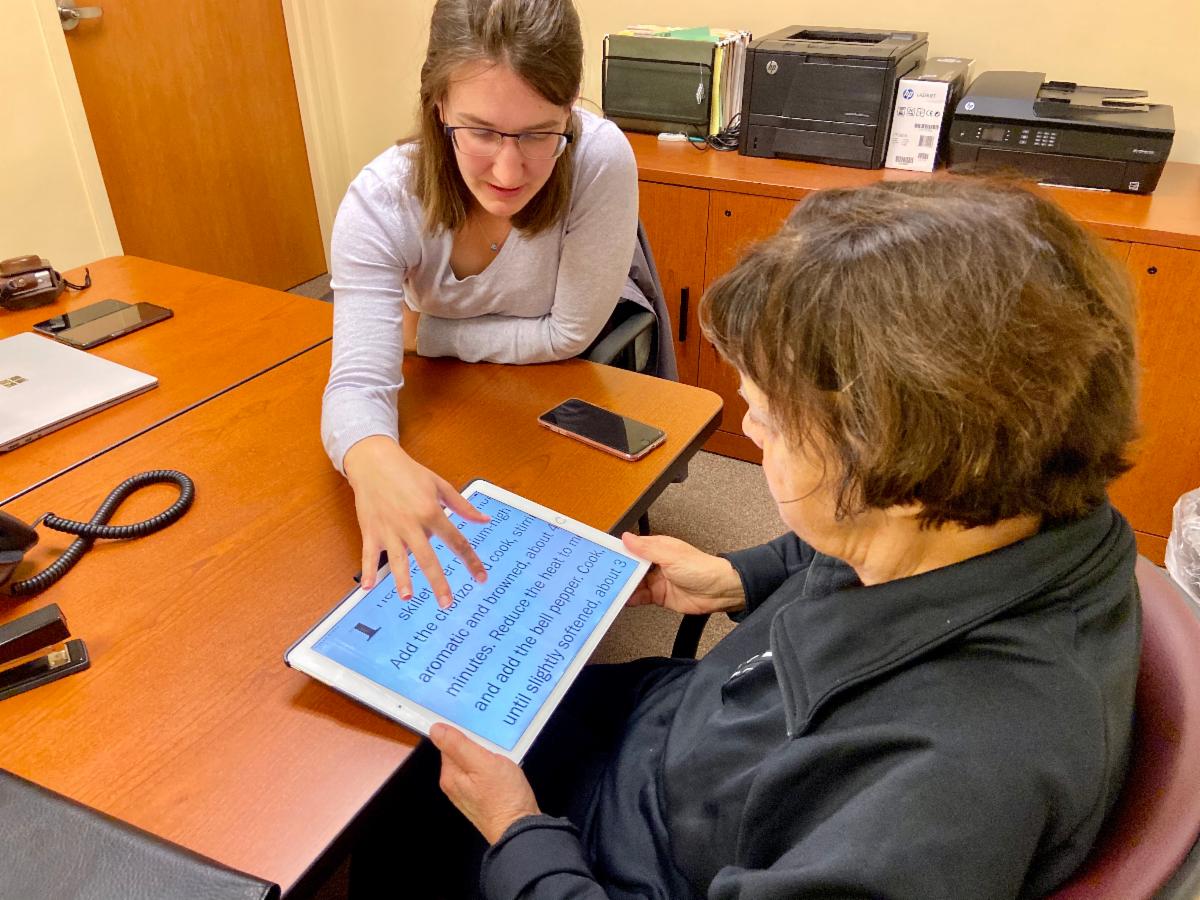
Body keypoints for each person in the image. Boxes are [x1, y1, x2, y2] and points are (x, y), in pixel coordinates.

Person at [411, 176, 1143, 898]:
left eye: (766, 414)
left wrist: (518, 835)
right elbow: (847, 546)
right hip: (700, 730)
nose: (750, 427)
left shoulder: (949, 784)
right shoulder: (1005, 498)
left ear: (892, 463)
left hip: (645, 858)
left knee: (399, 810)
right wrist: (735, 576)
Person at [321, 0, 639, 605]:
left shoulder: (598, 157)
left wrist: (427, 332)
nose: (509, 168)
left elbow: (568, 335)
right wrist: (370, 454)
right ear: (439, 106)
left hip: (559, 390)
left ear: (570, 108)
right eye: (482, 131)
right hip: (446, 398)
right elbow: (355, 384)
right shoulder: (380, 202)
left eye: (540, 132)